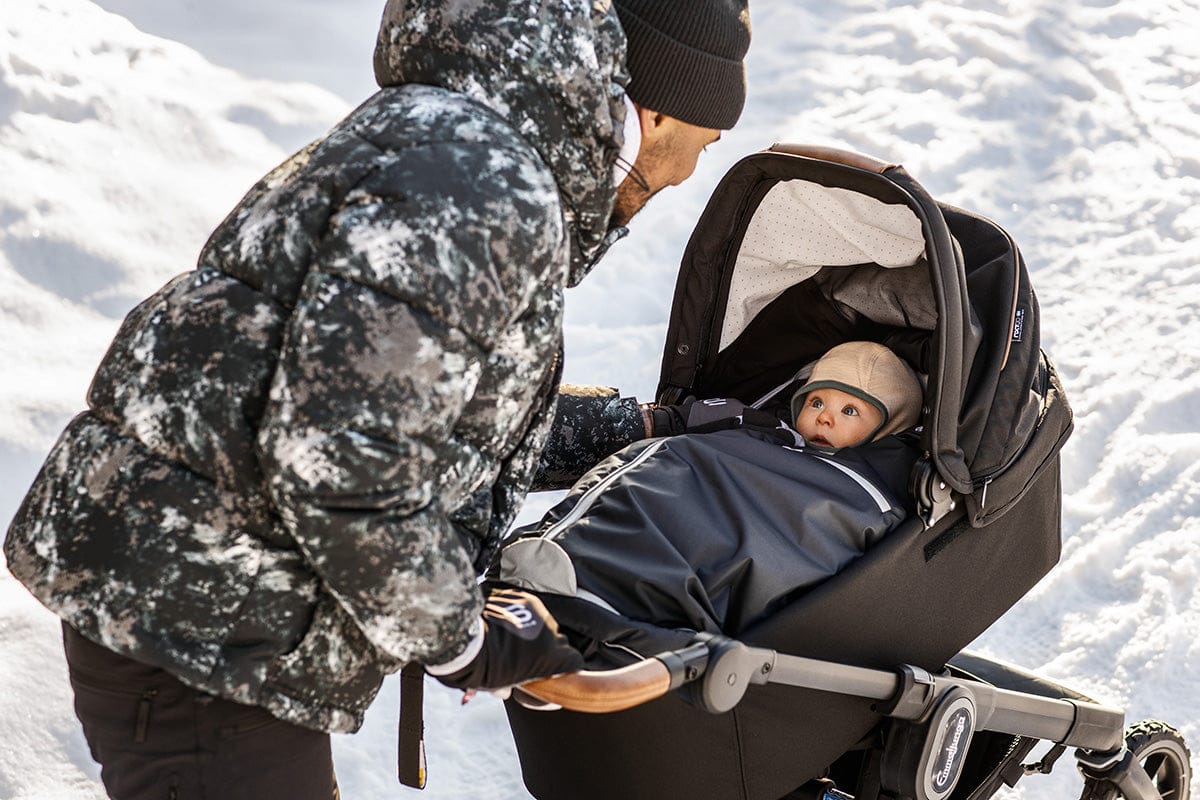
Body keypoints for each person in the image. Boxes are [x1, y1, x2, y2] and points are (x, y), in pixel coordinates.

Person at [2, 1, 752, 797]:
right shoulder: (478, 184)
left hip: (204, 601)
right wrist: (465, 642)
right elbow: (343, 455)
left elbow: (410, 404)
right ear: (657, 107)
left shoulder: (461, 143)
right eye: (700, 146)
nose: (682, 176)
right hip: (206, 624)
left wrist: (635, 430)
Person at [492, 341, 924, 644]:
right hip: (699, 489)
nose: (825, 419)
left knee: (709, 531)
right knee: (661, 474)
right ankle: (572, 557)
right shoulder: (768, 432)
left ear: (889, 427)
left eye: (850, 410)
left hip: (763, 530)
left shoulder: (875, 490)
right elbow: (696, 428)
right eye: (816, 403)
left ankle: (586, 573)